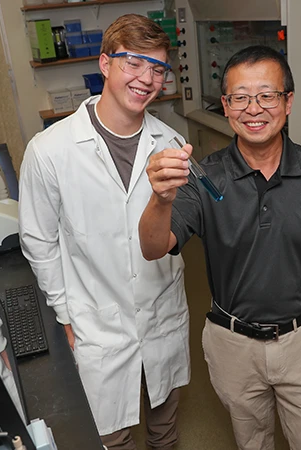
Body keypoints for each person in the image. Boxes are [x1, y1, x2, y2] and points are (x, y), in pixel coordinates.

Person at [139, 45, 301, 450]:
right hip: (232, 344)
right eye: (240, 97)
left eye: (266, 95)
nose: (253, 108)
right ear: (226, 105)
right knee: (250, 442)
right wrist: (160, 198)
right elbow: (154, 247)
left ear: (288, 101)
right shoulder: (204, 178)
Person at [18, 14, 190, 450]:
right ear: (106, 63)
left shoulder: (170, 142)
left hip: (161, 312)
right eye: (134, 63)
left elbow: (178, 227)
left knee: (165, 432)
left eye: (157, 69)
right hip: (95, 318)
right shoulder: (50, 150)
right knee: (111, 438)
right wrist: (64, 313)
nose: (147, 79)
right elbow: (39, 240)